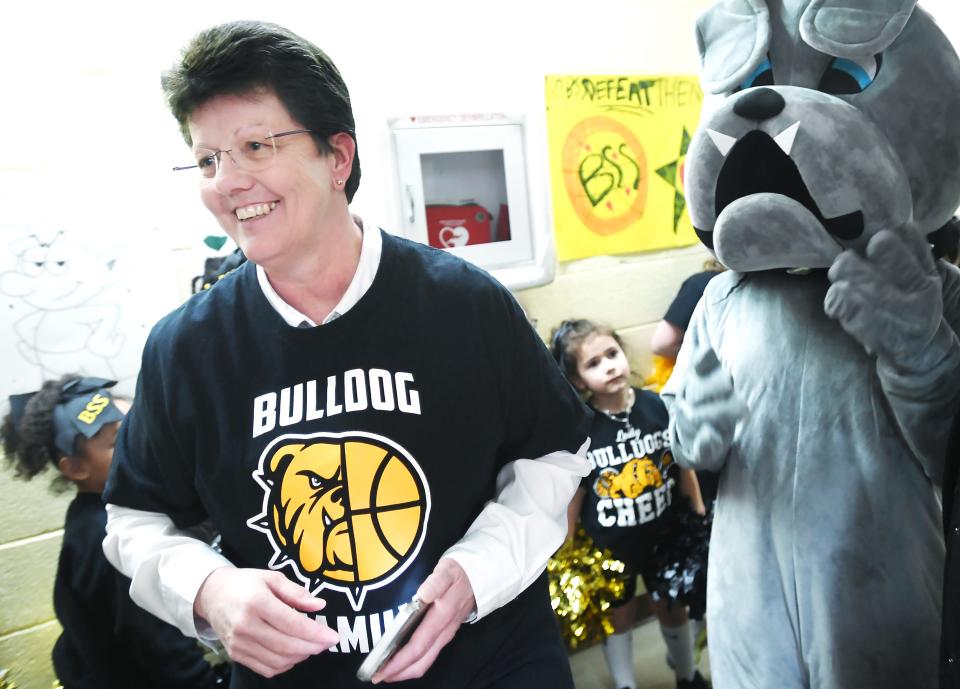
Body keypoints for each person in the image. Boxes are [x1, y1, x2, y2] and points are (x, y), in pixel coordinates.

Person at [100, 20, 592, 689]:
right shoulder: (186, 348)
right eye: (209, 159)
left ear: (338, 157)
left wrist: (478, 570)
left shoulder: (467, 304)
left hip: (490, 664)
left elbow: (553, 460)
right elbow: (134, 520)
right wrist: (207, 587)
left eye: (254, 146)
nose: (228, 181)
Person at [1, 376, 225, 689]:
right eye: (120, 439)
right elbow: (163, 653)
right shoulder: (111, 538)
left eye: (141, 428)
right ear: (77, 469)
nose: (144, 444)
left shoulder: (99, 510)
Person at [552, 320, 709, 689]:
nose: (608, 365)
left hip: (665, 537)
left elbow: (681, 465)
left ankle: (687, 676)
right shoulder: (584, 428)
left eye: (612, 354)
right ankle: (625, 684)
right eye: (593, 364)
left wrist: (698, 512)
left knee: (672, 609)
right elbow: (576, 493)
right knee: (617, 618)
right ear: (577, 381)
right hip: (611, 547)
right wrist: (567, 544)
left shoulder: (656, 406)